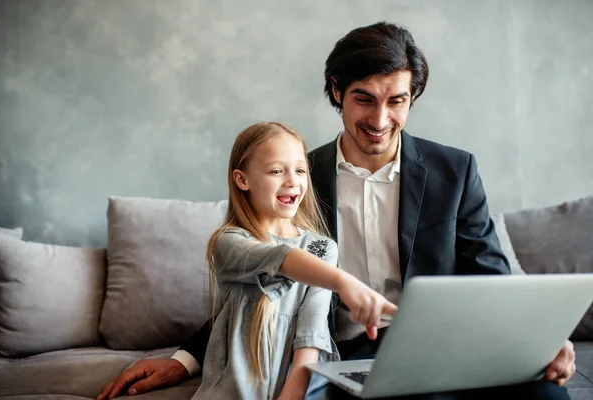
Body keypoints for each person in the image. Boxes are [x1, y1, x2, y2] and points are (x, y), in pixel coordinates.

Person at [99, 22, 576, 400]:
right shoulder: (296, 180)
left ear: (412, 98)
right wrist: (184, 359)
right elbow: (255, 278)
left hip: (444, 343)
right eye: (363, 99)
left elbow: (491, 276)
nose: (379, 119)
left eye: (397, 101)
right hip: (346, 350)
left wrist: (540, 338)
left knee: (548, 396)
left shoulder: (455, 170)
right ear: (336, 91)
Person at [99, 122, 396, 400]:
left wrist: (291, 395)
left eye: (300, 170)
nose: (293, 182)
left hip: (299, 386)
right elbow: (279, 259)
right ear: (242, 180)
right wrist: (344, 281)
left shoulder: (322, 247)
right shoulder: (228, 242)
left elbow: (312, 332)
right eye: (277, 171)